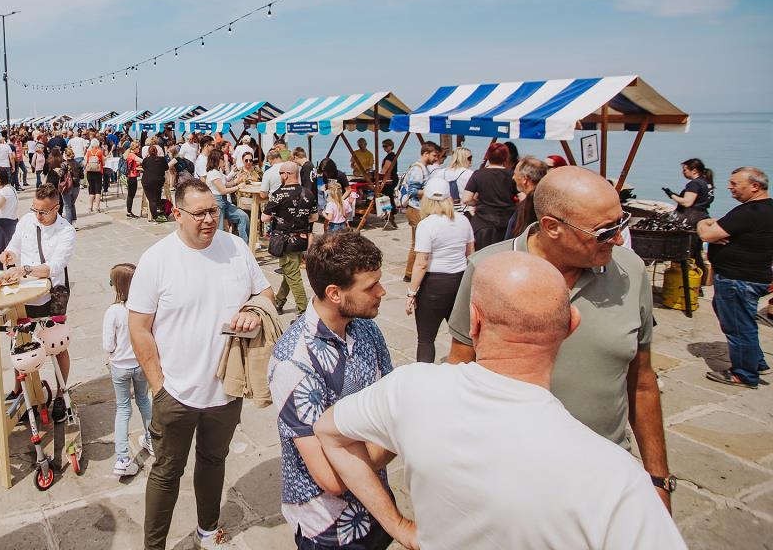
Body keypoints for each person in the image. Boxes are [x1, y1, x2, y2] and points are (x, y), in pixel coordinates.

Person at [315, 252, 687, 550]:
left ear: (474, 322)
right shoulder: (615, 478)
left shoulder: (410, 388)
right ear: (571, 324)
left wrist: (397, 524)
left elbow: (329, 432)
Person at [447, 167, 675, 509]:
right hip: (507, 477)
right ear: (552, 226)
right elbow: (460, 368)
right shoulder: (488, 268)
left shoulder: (630, 271)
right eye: (605, 231)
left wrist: (658, 480)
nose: (618, 239)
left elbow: (642, 382)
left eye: (621, 223)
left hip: (603, 477)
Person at [128, 179, 272, 550]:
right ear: (177, 214)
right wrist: (159, 387)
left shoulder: (235, 248)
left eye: (213, 210)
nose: (209, 219)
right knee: (166, 472)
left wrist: (254, 311)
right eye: (199, 213)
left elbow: (265, 292)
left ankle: (207, 532)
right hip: (175, 392)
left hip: (226, 389)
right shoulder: (157, 259)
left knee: (214, 460)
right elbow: (138, 328)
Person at [267, 230, 397, 550]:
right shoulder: (294, 362)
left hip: (378, 506)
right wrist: (402, 431)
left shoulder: (366, 328)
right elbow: (332, 478)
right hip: (330, 529)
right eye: (370, 286)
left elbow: (393, 403)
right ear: (334, 293)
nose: (382, 291)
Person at [696, 167, 773, 388]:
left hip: (737, 278)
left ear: (755, 186)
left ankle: (744, 374)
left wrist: (702, 223)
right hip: (754, 275)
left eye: (735, 184)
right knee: (742, 321)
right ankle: (757, 362)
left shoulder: (749, 211)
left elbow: (706, 234)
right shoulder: (767, 209)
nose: (730, 187)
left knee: (738, 327)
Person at [0, 183, 77, 400]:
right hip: (25, 292)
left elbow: (54, 267)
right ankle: (20, 390)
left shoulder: (66, 231)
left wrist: (24, 269)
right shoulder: (27, 221)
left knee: (56, 342)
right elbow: (15, 245)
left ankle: (61, 391)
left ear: (56, 208)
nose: (38, 215)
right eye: (35, 209)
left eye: (43, 212)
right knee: (19, 341)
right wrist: (8, 254)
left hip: (52, 293)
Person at [408, 178, 474, 363]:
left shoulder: (426, 225)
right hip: (459, 280)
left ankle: (424, 374)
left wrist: (411, 292)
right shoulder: (463, 220)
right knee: (464, 335)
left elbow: (421, 263)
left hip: (433, 284)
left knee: (426, 339)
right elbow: (471, 253)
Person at [103, 263, 154, 476]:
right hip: (140, 363)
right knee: (144, 401)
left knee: (123, 408)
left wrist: (114, 352)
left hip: (120, 366)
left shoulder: (113, 312)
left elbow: (108, 345)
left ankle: (122, 458)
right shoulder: (143, 308)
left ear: (116, 285)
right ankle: (152, 440)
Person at [264, 161, 318, 316]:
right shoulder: (308, 193)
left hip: (285, 241)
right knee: (290, 272)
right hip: (301, 239)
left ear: (286, 175)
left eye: (281, 173)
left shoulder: (279, 194)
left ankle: (304, 311)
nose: (280, 176)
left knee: (294, 277)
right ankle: (279, 302)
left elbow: (264, 218)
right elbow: (314, 217)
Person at [462, 142, 517, 250]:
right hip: (507, 224)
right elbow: (523, 197)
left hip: (483, 223)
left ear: (488, 156)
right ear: (505, 157)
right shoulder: (512, 175)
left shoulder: (478, 174)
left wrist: (479, 201)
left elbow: (466, 199)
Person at [400, 142, 442, 281]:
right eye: (434, 155)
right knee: (418, 242)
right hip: (416, 209)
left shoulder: (423, 168)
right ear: (425, 153)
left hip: (418, 209)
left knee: (419, 241)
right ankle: (410, 273)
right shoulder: (418, 169)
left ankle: (411, 272)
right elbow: (413, 191)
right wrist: (431, 191)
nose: (436, 158)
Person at [205, 149, 250, 239]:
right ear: (216, 160)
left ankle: (243, 243)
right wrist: (238, 187)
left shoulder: (217, 171)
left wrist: (236, 181)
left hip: (223, 202)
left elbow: (226, 184)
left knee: (243, 216)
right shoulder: (213, 173)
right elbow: (223, 190)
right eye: (222, 158)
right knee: (220, 230)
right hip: (218, 203)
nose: (224, 161)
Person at [506, 155, 547, 239]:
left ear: (525, 178)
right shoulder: (547, 199)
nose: (513, 177)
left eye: (515, 174)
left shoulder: (531, 204)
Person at [667, 158, 714, 225]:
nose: (683, 172)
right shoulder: (707, 183)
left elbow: (687, 203)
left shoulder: (694, 183)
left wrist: (671, 195)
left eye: (684, 170)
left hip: (689, 217)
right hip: (702, 216)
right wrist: (676, 196)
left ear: (694, 171)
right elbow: (700, 200)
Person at [432, 146, 474, 214]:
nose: (471, 160)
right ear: (463, 158)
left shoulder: (441, 172)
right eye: (470, 158)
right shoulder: (470, 174)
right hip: (464, 212)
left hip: (443, 211)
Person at [140, 145, 170, 223]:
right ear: (157, 151)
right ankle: (158, 213)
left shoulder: (146, 160)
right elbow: (166, 168)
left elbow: (144, 167)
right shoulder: (162, 159)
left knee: (152, 200)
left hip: (147, 181)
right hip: (158, 181)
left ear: (148, 152)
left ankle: (155, 217)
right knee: (156, 198)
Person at [58, 147, 83, 226]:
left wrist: (58, 171)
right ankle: (74, 222)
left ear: (66, 155)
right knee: (72, 204)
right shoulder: (78, 164)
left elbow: (60, 174)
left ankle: (69, 224)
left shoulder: (64, 164)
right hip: (76, 186)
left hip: (67, 186)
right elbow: (82, 176)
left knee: (67, 205)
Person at [377, 139, 399, 229]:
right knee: (388, 196)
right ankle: (390, 215)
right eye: (383, 146)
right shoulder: (391, 155)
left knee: (386, 196)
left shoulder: (390, 156)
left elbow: (385, 169)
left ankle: (390, 214)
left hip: (390, 179)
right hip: (391, 179)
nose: (384, 148)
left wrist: (378, 177)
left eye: (386, 146)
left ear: (391, 146)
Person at [84, 138, 108, 213]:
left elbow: (85, 163)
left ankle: (89, 208)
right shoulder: (99, 152)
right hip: (98, 172)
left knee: (91, 190)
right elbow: (103, 163)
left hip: (90, 172)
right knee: (98, 191)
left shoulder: (88, 152)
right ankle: (97, 208)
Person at [123, 142, 143, 218]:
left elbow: (134, 163)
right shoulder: (132, 154)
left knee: (130, 195)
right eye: (138, 148)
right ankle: (129, 212)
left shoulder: (129, 154)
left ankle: (129, 211)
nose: (139, 149)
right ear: (135, 148)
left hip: (130, 176)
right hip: (132, 177)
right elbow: (141, 160)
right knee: (131, 195)